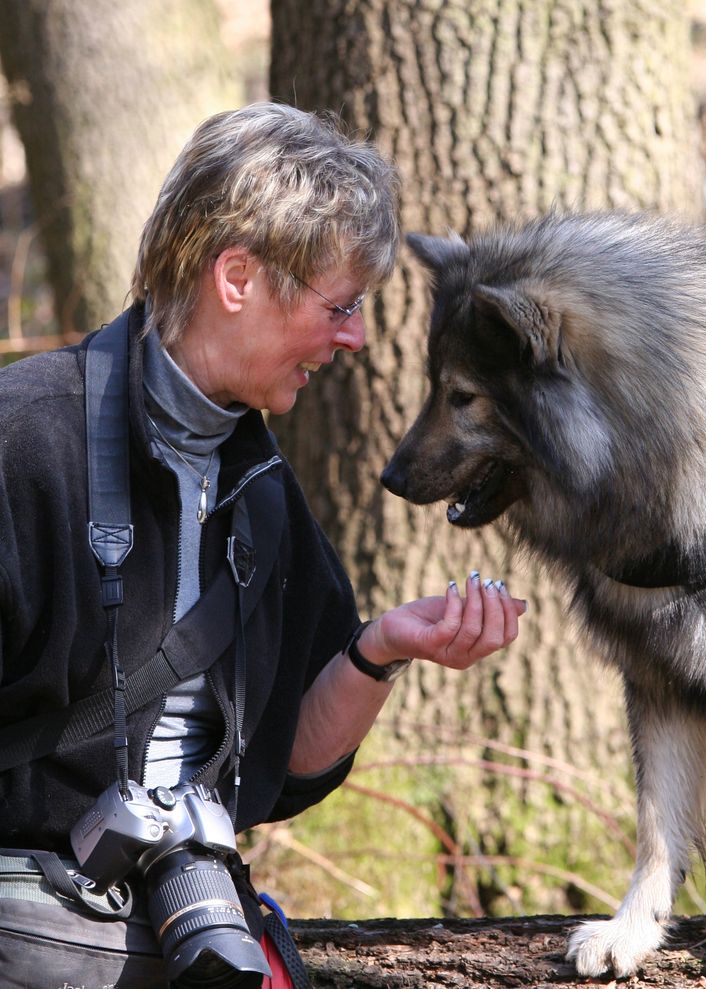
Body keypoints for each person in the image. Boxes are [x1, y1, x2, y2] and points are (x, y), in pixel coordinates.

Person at [0, 101, 525, 986]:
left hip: (192, 931)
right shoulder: (24, 441)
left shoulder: (263, 490)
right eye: (341, 305)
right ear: (236, 277)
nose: (356, 337)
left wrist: (382, 649)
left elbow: (288, 764)